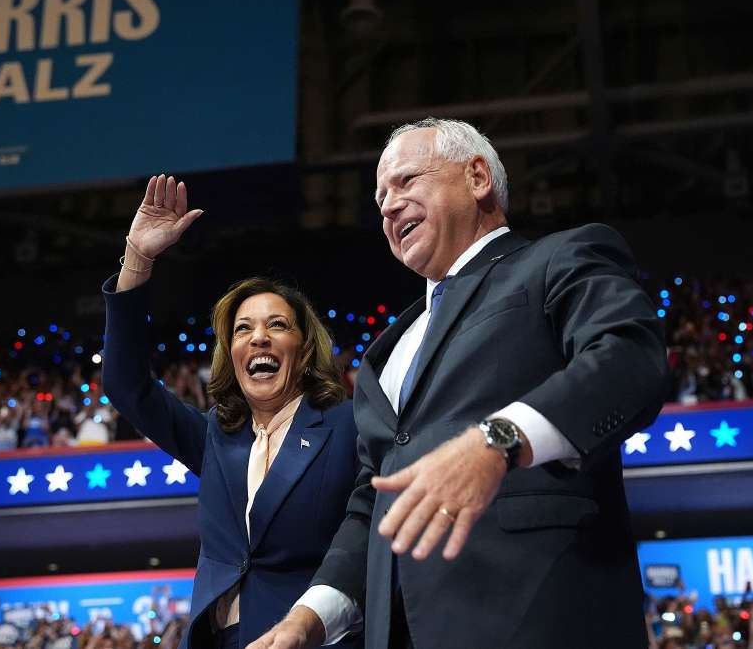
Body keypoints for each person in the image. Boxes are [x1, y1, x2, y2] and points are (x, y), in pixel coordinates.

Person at [252, 119, 668, 648]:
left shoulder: (556, 259)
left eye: (405, 181)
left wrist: (496, 441)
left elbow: (630, 358)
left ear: (476, 177)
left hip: (538, 618)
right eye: (380, 197)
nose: (387, 206)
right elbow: (372, 503)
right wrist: (307, 618)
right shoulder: (385, 352)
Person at [102, 175, 362, 649]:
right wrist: (137, 261)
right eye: (243, 329)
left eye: (277, 325)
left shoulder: (347, 425)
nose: (258, 337)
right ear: (231, 352)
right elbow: (127, 386)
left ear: (303, 350)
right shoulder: (215, 437)